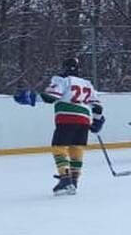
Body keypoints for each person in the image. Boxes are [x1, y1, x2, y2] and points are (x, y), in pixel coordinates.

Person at [39, 56, 103, 194]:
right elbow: (97, 107)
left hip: (67, 118)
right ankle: (74, 180)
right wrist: (98, 120)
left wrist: (35, 97)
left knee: (58, 147)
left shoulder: (62, 79)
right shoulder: (87, 83)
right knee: (76, 149)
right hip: (84, 120)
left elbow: (52, 97)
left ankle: (65, 177)